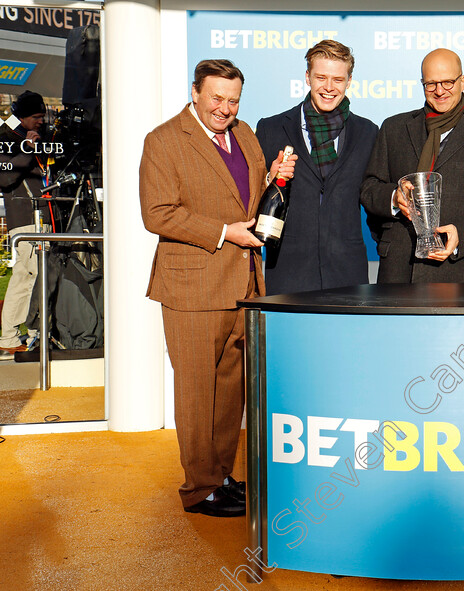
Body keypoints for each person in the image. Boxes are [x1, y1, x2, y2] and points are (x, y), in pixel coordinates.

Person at [139, 60, 294, 517]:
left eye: (233, 100)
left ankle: (222, 477)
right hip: (192, 289)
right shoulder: (164, 140)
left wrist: (276, 176)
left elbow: (247, 197)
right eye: (216, 98)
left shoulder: (245, 134)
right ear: (195, 92)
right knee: (196, 394)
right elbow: (158, 213)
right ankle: (198, 488)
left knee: (230, 393)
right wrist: (226, 232)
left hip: (242, 285)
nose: (225, 108)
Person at [361, 48, 464, 283]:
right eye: (431, 84)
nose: (439, 91)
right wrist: (393, 198)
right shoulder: (394, 129)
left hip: (461, 273)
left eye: (447, 82)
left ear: (463, 81)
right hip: (399, 270)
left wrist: (462, 235)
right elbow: (370, 188)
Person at [256, 40, 377, 294]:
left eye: (338, 79)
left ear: (349, 81)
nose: (329, 88)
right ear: (307, 77)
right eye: (321, 77)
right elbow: (250, 195)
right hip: (288, 272)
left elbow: (375, 196)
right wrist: (270, 178)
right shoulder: (271, 129)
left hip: (348, 273)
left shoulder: (368, 132)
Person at [0, 91, 50, 358]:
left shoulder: (41, 140)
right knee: (25, 275)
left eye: (42, 116)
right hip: (24, 219)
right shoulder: (5, 139)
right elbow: (5, 179)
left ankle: (35, 332)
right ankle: (8, 335)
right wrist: (27, 150)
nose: (41, 121)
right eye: (36, 117)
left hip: (44, 217)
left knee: (41, 277)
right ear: (21, 116)